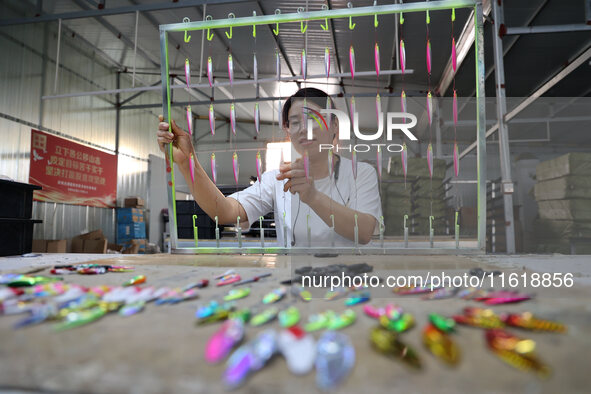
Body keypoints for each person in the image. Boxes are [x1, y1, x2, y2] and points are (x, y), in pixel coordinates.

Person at [157, 88, 382, 247]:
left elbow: (363, 232)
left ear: (334, 125)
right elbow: (224, 212)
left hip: (350, 287)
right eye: (295, 122)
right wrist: (188, 163)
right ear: (288, 131)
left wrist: (312, 196)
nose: (304, 129)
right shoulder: (277, 179)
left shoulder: (360, 173)